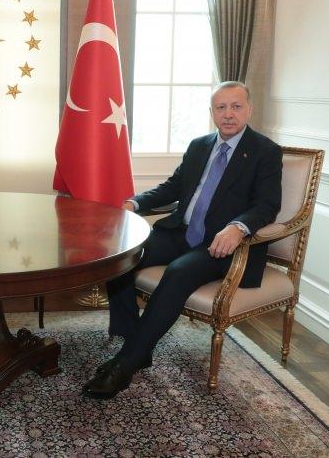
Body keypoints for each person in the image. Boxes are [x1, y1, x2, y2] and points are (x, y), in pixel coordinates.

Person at [83, 81, 282, 399]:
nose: (228, 114)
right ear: (212, 112)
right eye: (221, 107)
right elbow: (173, 187)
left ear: (249, 109)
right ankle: (136, 342)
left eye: (236, 106)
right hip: (182, 232)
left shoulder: (265, 151)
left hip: (221, 244)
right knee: (119, 257)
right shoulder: (199, 145)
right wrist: (134, 203)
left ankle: (125, 364)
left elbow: (267, 205)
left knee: (178, 272)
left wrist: (238, 227)